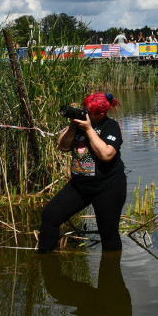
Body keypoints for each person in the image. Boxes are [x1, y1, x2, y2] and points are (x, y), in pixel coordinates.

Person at [38, 92, 125, 253]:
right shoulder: (78, 125)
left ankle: (111, 274)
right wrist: (72, 127)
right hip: (80, 187)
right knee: (50, 216)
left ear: (100, 114)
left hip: (108, 188)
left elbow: (106, 155)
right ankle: (45, 261)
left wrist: (89, 129)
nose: (84, 113)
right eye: (84, 109)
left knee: (109, 235)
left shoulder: (111, 126)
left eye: (89, 112)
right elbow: (63, 147)